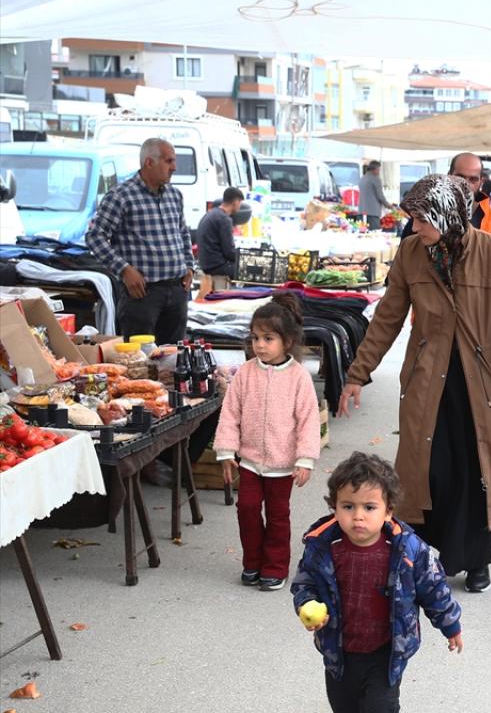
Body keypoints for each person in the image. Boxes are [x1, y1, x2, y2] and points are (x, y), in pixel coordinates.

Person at [338, 174, 491, 594]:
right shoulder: (411, 254)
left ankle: (477, 563)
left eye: (421, 219)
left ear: (445, 215)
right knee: (426, 473)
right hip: (427, 381)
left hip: (481, 387)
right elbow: (387, 318)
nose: (415, 228)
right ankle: (420, 562)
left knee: (478, 472)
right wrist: (357, 373)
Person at [292, 452, 463, 712]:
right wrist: (308, 604)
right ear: (334, 507)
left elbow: (434, 587)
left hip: (387, 651)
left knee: (379, 707)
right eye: (348, 506)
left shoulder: (408, 549)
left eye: (369, 507)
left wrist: (450, 625)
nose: (358, 516)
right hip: (339, 651)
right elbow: (305, 584)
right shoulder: (323, 546)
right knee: (343, 706)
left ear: (388, 511)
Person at [214, 293, 321, 591]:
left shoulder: (299, 377)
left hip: (282, 464)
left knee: (277, 516)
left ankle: (274, 567)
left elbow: (309, 420)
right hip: (248, 461)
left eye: (268, 338)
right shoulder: (246, 373)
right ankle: (252, 562)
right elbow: (230, 412)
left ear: (287, 341)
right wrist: (225, 451)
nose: (259, 345)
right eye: (255, 338)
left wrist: (305, 459)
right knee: (246, 509)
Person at [85, 137, 195, 343]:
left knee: (171, 360)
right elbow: (94, 236)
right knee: (140, 361)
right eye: (169, 161)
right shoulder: (121, 196)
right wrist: (124, 270)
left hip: (176, 290)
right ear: (149, 162)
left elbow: (183, 232)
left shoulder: (175, 195)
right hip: (143, 294)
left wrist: (189, 266)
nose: (174, 167)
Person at [195, 186, 243, 298]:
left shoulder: (210, 214)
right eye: (240, 202)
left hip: (205, 262)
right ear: (235, 202)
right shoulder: (224, 219)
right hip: (216, 265)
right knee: (247, 270)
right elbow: (229, 252)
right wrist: (242, 260)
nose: (240, 206)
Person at [449, 152, 491, 235]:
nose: (466, 184)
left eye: (473, 179)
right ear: (448, 176)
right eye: (459, 177)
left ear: (481, 182)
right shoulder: (431, 214)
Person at [358, 161, 394, 230]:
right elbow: (380, 196)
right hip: (372, 212)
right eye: (379, 169)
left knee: (363, 234)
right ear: (375, 169)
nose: (379, 172)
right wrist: (388, 205)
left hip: (361, 211)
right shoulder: (375, 179)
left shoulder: (362, 178)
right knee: (375, 234)